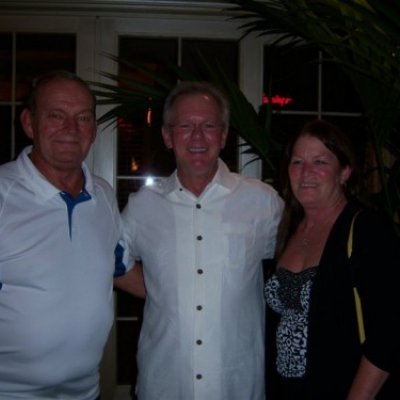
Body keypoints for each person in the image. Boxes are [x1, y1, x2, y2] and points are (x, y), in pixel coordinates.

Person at [114, 81, 283, 400]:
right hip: (165, 382)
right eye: (185, 126)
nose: (197, 137)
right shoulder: (143, 206)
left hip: (237, 384)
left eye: (208, 125)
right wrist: (168, 290)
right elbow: (114, 262)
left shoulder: (263, 202)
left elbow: (296, 268)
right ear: (167, 136)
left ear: (223, 135)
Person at [0, 70, 121, 399]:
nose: (71, 128)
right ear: (29, 123)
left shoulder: (104, 196)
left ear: (93, 130)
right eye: (56, 115)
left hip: (85, 391)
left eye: (82, 117)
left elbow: (121, 269)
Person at [264, 119, 400, 399]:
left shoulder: (367, 230)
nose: (306, 172)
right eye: (297, 162)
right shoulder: (287, 228)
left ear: (345, 171)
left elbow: (390, 331)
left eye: (320, 162)